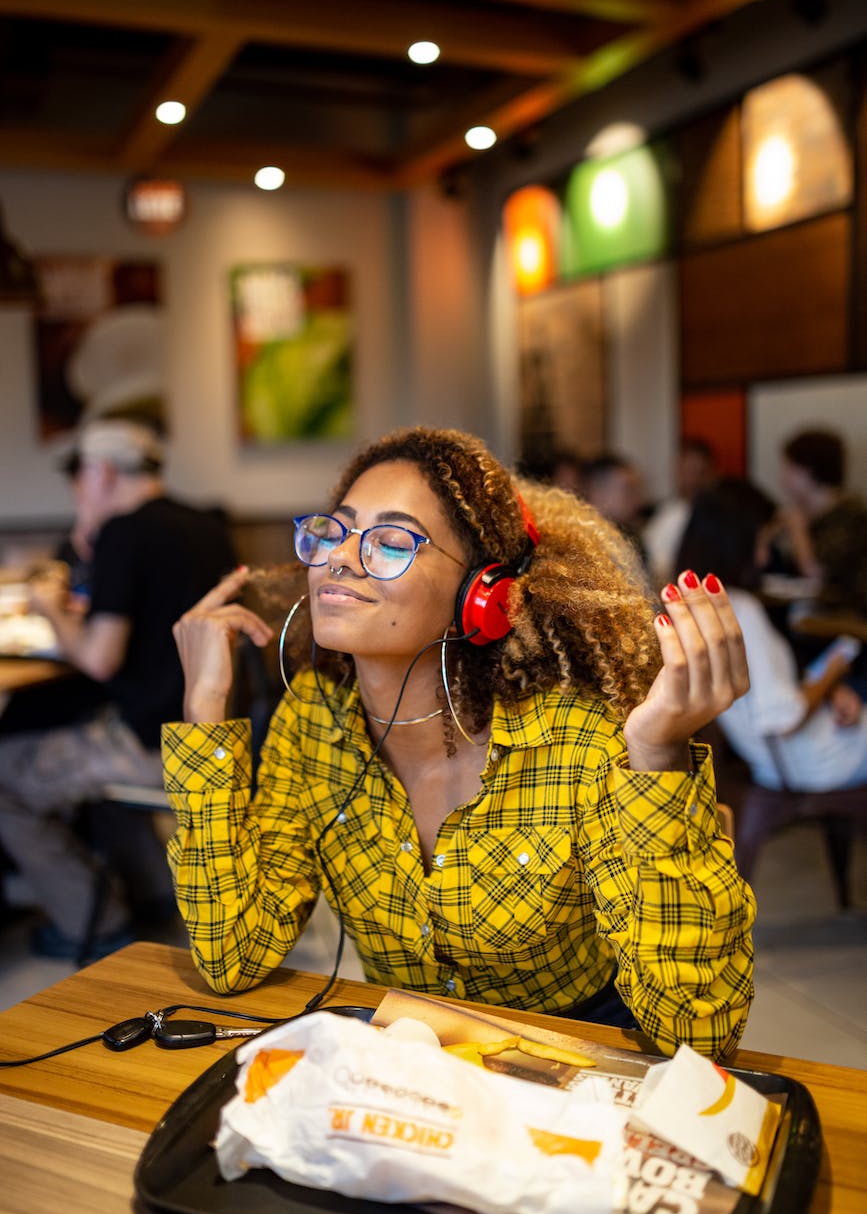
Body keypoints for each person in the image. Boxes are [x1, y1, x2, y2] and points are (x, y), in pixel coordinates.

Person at [163, 426, 754, 1060]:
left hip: (579, 1053)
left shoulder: (576, 737)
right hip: (415, 1067)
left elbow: (699, 1035)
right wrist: (202, 714)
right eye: (333, 532)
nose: (339, 558)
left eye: (391, 542)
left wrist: (658, 757)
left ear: (482, 595)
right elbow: (231, 955)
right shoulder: (313, 719)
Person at [0, 417, 238, 959]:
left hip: (149, 744)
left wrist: (50, 609)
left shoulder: (125, 532)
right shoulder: (205, 525)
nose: (77, 491)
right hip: (209, 735)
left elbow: (99, 658)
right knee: (72, 745)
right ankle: (152, 895)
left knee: (4, 778)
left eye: (79, 478)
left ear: (101, 472)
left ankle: (96, 920)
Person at [676, 479, 867, 792]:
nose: (764, 557)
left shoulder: (697, 606)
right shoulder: (740, 610)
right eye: (762, 542)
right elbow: (783, 717)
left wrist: (830, 691)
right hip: (811, 757)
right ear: (736, 542)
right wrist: (832, 674)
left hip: (774, 759)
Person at [774, 429, 867, 618]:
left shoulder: (851, 517)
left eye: (790, 468)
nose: (783, 478)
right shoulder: (810, 516)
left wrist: (797, 528)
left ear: (810, 470)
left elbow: (816, 575)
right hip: (816, 617)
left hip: (849, 622)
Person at [643, 438, 718, 589]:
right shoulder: (667, 510)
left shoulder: (714, 517)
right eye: (686, 471)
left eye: (699, 472)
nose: (692, 479)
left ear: (711, 473)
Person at [580, 452, 649, 575]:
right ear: (598, 492)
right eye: (628, 490)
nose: (639, 500)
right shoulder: (579, 543)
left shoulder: (632, 537)